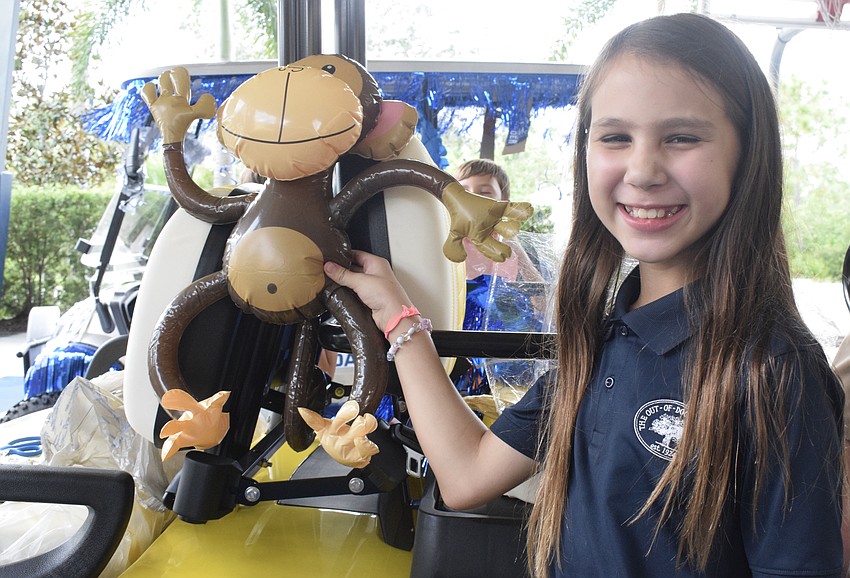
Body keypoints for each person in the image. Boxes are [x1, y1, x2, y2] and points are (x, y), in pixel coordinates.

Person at [320, 13, 844, 577]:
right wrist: (400, 319)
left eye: (682, 137)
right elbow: (467, 474)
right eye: (616, 136)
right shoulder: (604, 333)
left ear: (749, 154)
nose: (642, 170)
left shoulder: (774, 368)